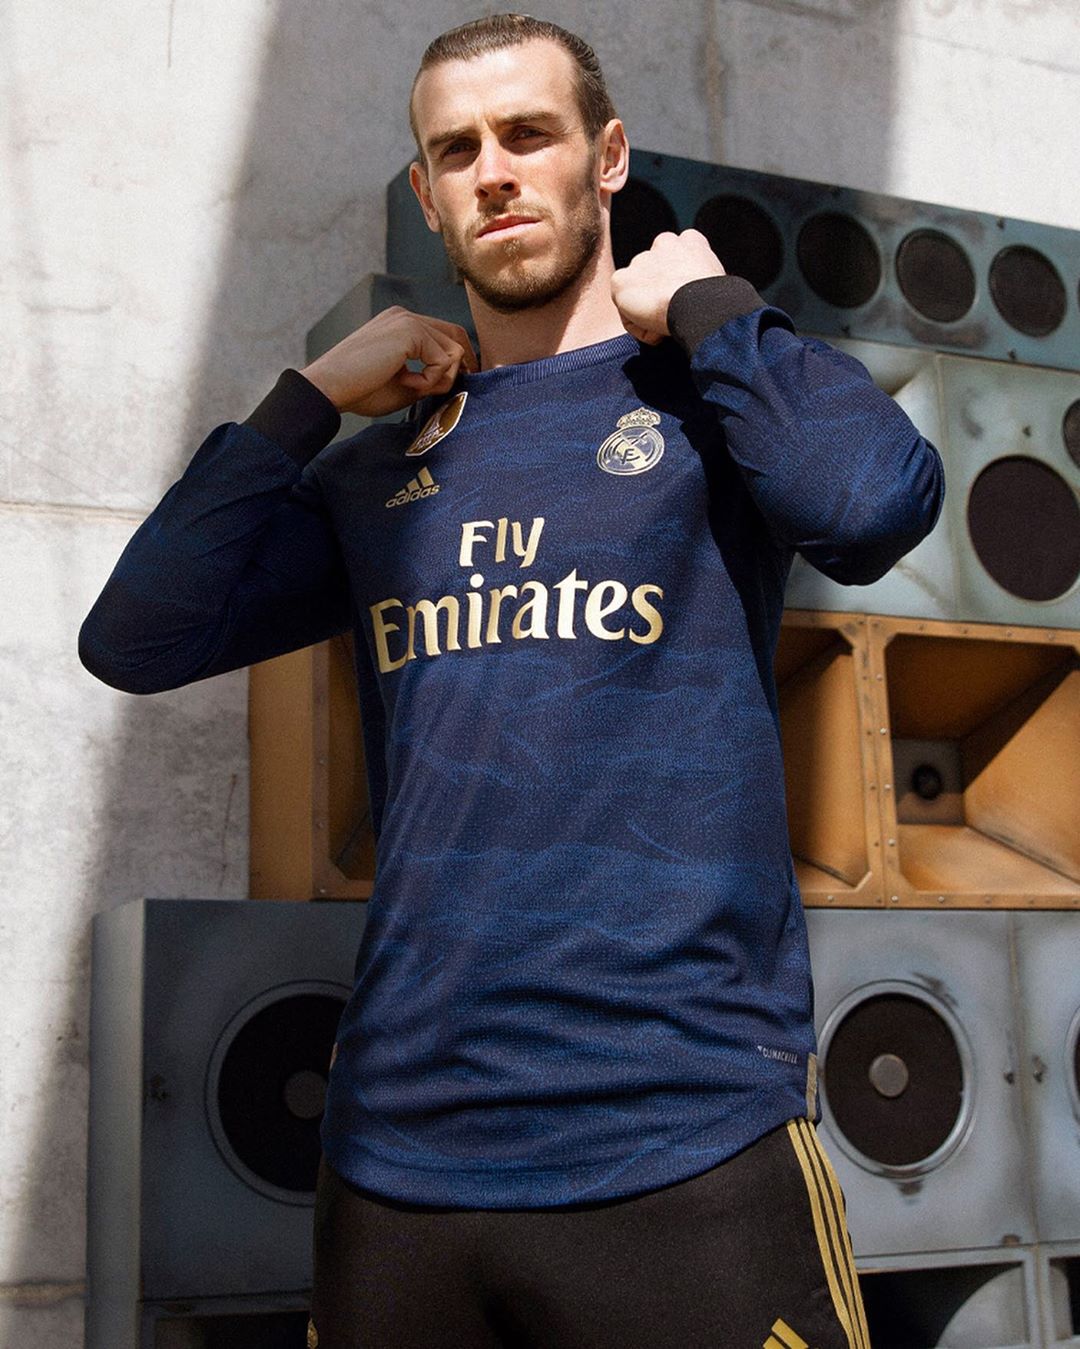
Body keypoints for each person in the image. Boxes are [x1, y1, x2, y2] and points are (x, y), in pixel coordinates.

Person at [80, 14, 943, 1348]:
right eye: (457, 149)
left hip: (683, 1141)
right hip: (400, 1166)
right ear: (426, 195)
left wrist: (715, 310)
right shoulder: (376, 472)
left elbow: (875, 499)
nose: (494, 171)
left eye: (529, 134)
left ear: (608, 158)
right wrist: (310, 396)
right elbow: (136, 635)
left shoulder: (712, 403)